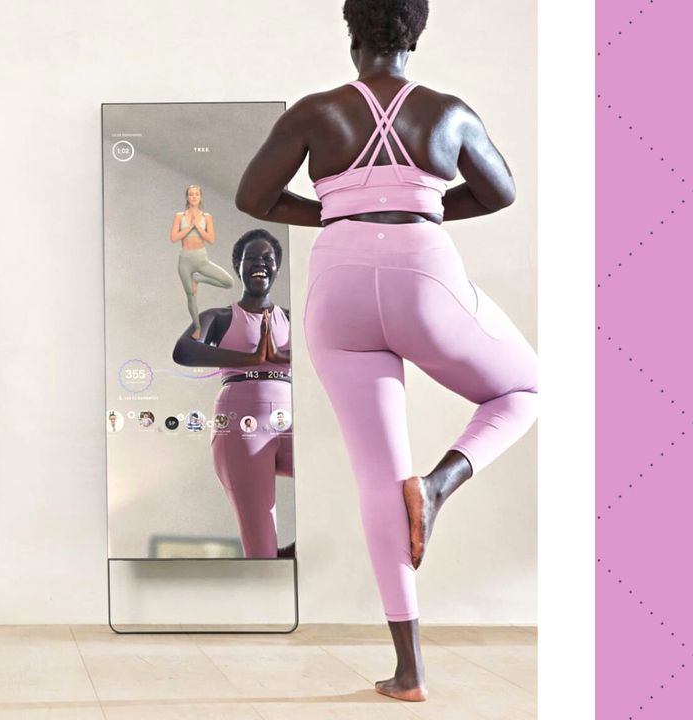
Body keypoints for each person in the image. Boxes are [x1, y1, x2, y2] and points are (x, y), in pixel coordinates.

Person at [234, 0, 538, 702]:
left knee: (377, 475)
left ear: (350, 31)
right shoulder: (447, 113)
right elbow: (499, 192)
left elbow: (255, 195)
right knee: (524, 389)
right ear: (417, 33)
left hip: (336, 280)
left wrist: (336, 211)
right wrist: (422, 207)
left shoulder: (315, 113)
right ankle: (439, 485)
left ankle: (409, 670)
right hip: (422, 270)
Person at [172, 229, 294, 558]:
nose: (259, 264)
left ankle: (300, 549)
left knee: (344, 468)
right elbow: (183, 350)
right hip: (242, 421)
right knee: (261, 551)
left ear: (277, 268)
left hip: (291, 418)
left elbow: (325, 353)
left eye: (267, 259)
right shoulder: (220, 317)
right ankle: (270, 558)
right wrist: (250, 360)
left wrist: (282, 358)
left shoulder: (291, 319)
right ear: (238, 266)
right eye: (250, 258)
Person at [170, 185, 235, 338]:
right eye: (191, 194)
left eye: (196, 194)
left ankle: (199, 279)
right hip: (185, 261)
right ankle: (197, 327)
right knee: (191, 295)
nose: (193, 197)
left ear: (200, 197)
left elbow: (211, 239)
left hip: (202, 259)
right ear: (187, 197)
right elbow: (173, 238)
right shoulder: (180, 216)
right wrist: (190, 226)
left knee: (229, 282)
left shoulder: (207, 217)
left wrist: (198, 226)